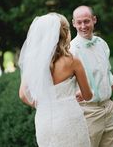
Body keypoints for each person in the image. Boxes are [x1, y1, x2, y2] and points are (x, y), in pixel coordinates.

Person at [18, 12, 93, 147]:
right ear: (65, 34)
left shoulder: (33, 63)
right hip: (70, 118)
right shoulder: (73, 60)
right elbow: (87, 95)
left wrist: (44, 104)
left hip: (44, 118)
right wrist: (81, 94)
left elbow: (23, 95)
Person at [70, 5, 113, 147]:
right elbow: (65, 83)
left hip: (108, 109)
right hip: (88, 112)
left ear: (94, 20)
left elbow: (106, 73)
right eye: (79, 22)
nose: (83, 26)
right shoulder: (71, 50)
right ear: (73, 24)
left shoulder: (102, 44)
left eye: (86, 21)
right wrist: (75, 93)